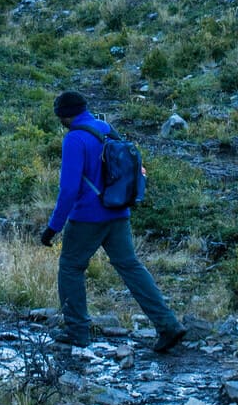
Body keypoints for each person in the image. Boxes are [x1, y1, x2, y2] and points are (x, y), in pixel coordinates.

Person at [40, 91, 186, 352]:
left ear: (64, 115)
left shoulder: (74, 139)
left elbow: (69, 190)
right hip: (118, 211)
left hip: (87, 216)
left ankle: (77, 332)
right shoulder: (105, 127)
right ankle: (168, 325)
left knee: (71, 268)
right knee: (130, 266)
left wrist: (54, 227)